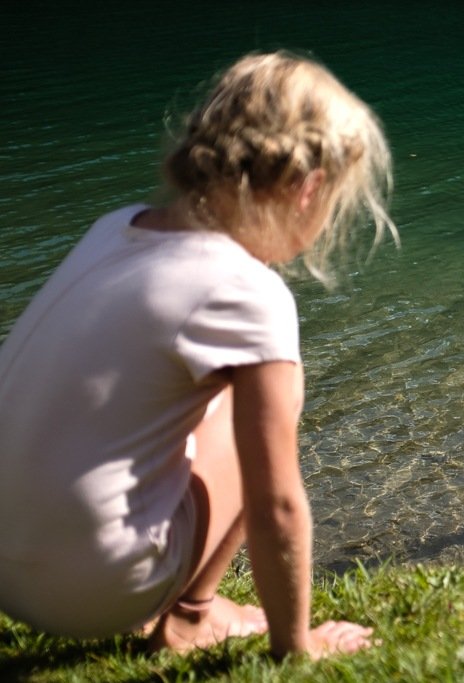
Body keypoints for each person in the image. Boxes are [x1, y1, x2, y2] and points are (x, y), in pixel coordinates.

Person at [0, 51, 397, 660]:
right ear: (309, 188)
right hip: (90, 590)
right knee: (268, 403)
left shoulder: (115, 228)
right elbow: (277, 505)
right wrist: (298, 645)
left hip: (9, 576)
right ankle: (189, 617)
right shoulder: (243, 290)